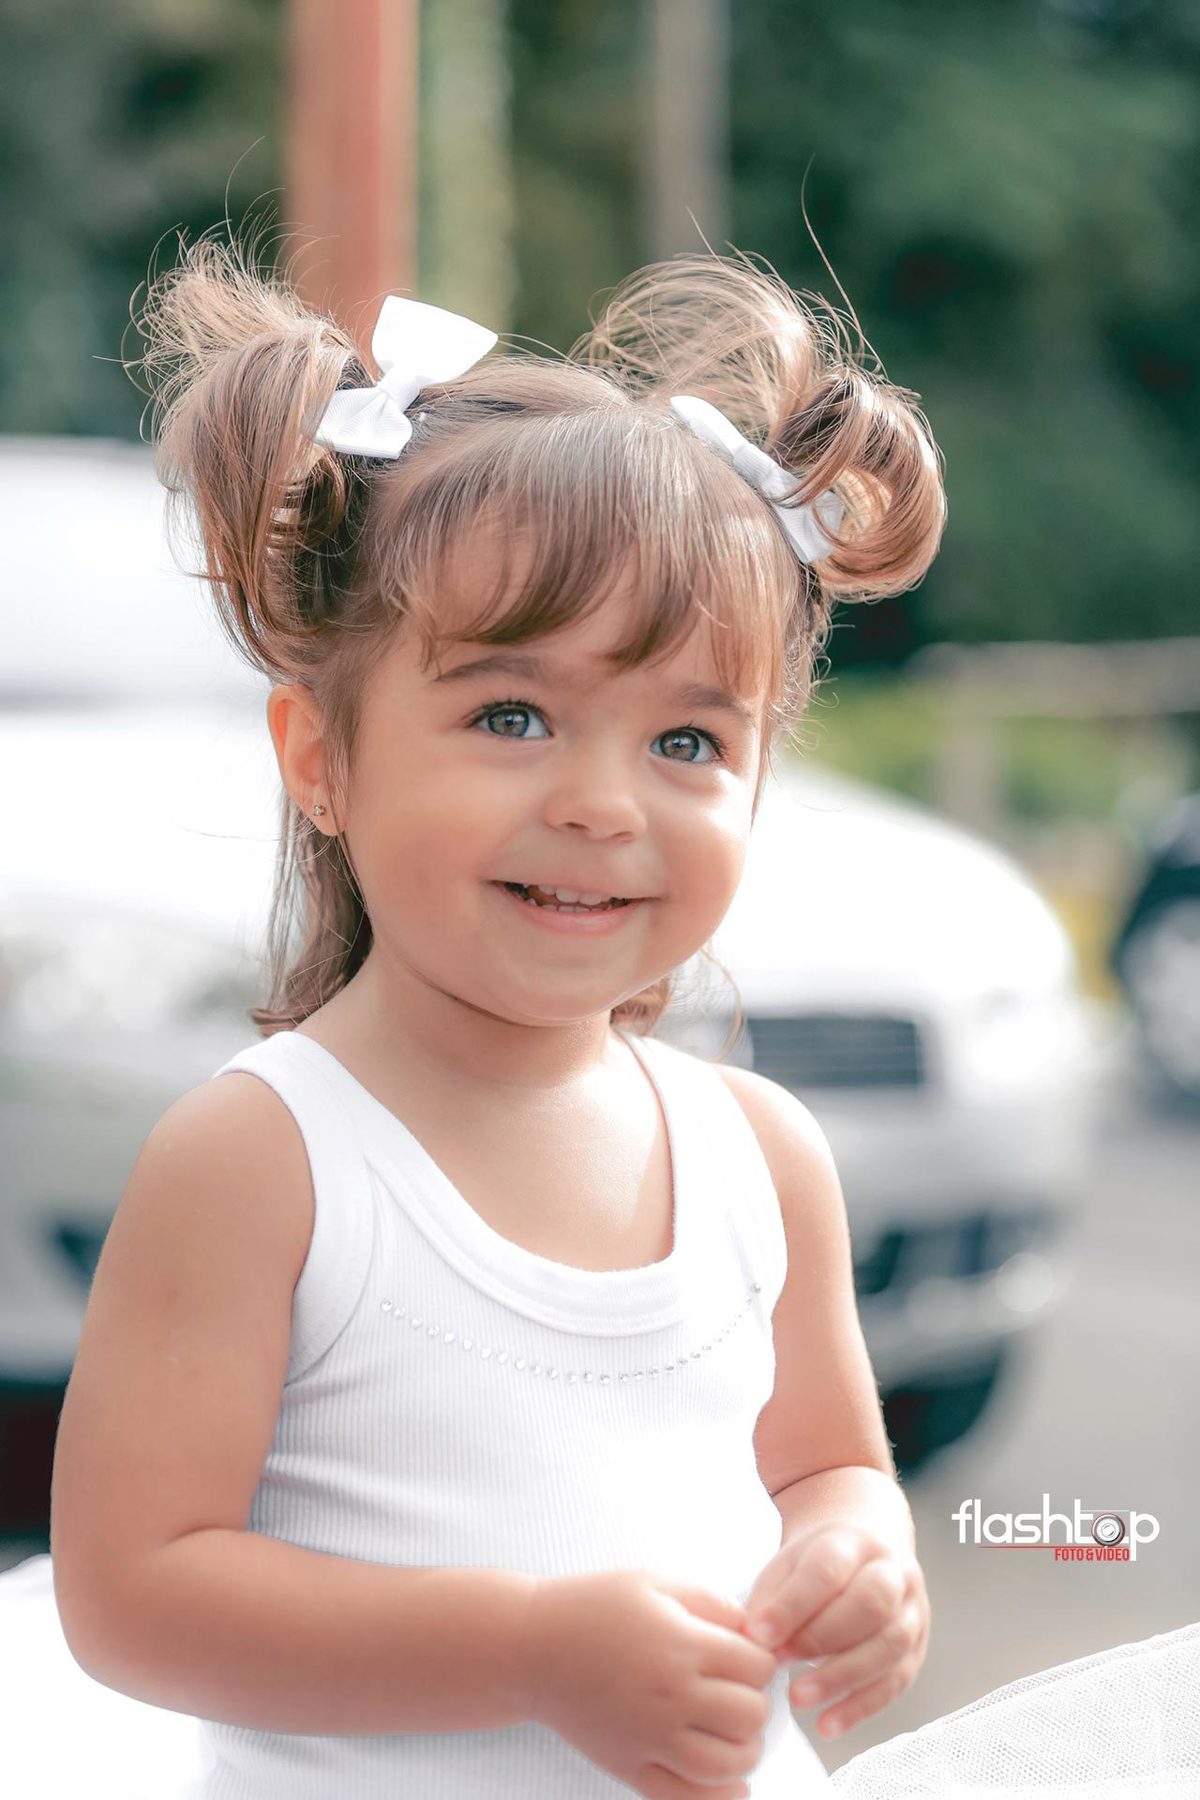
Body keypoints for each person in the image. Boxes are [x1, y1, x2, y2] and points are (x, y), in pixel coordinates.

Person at [47, 233, 948, 1800]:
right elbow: (133, 1595)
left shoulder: (760, 1154)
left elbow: (827, 1466)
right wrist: (529, 1650)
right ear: (322, 759)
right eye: (513, 715)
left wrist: (859, 1555)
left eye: (687, 741)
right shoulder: (267, 1159)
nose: (603, 803)